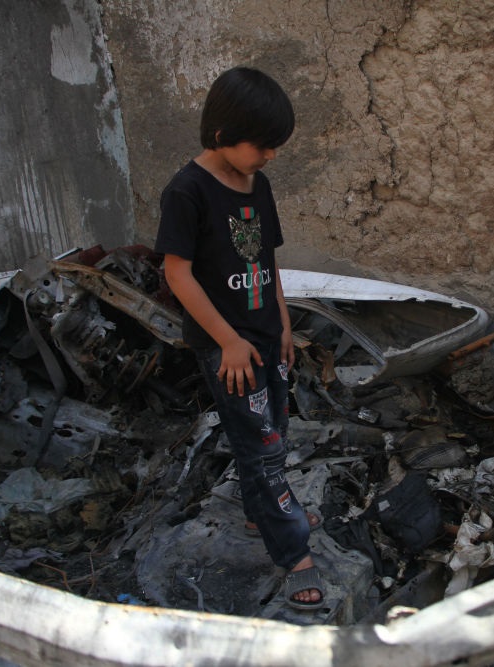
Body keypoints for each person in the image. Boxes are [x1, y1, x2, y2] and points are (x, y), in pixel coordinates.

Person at [154, 66, 324, 611]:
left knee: (273, 430)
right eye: (262, 145)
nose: (270, 156)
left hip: (265, 336)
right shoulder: (187, 192)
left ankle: (263, 513)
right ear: (222, 133)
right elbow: (177, 274)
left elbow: (266, 260)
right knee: (262, 446)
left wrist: (284, 323)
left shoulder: (258, 186)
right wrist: (228, 341)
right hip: (228, 348)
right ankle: (294, 552)